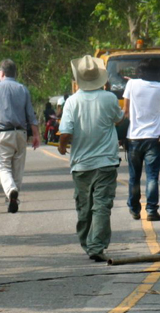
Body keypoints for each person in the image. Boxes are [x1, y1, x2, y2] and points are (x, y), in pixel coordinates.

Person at [58, 55, 124, 262]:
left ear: (78, 78)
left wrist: (61, 147)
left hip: (81, 164)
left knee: (84, 207)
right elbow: (119, 118)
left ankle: (89, 244)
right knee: (102, 205)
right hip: (106, 162)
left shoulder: (72, 101)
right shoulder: (109, 98)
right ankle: (97, 245)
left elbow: (66, 133)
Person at [0, 59, 41, 213]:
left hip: (3, 133)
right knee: (18, 167)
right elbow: (31, 114)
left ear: (2, 73)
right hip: (21, 133)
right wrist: (36, 134)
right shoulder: (23, 89)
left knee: (3, 166)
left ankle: (10, 191)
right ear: (15, 73)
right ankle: (13, 197)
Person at [123, 59, 160, 222]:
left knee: (134, 176)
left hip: (134, 137)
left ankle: (134, 209)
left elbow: (125, 111)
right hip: (154, 138)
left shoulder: (131, 85)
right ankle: (151, 210)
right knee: (152, 176)